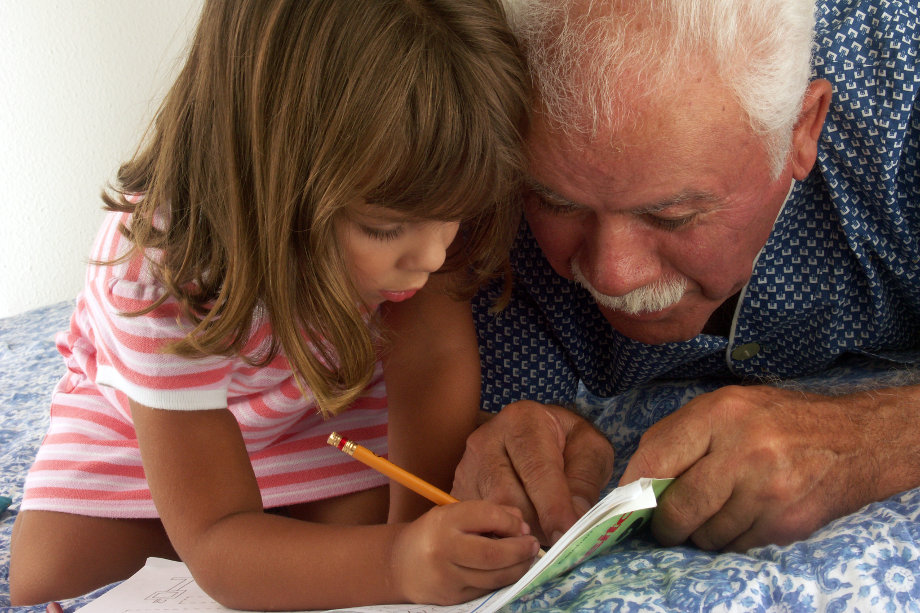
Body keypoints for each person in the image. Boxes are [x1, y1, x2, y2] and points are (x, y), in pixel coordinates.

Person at [9, 0, 541, 608]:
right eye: (386, 228)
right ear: (269, 174)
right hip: (154, 420)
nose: (431, 254)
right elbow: (212, 536)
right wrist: (395, 562)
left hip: (316, 401)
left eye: (454, 215)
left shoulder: (423, 196)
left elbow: (432, 360)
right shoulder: (160, 268)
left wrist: (420, 533)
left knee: (366, 529)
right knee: (50, 577)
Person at [453, 0, 920, 554]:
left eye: (671, 217)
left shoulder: (902, 99)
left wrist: (861, 441)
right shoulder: (475, 126)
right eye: (556, 202)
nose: (613, 275)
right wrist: (499, 438)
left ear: (802, 127)